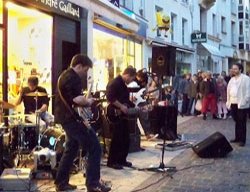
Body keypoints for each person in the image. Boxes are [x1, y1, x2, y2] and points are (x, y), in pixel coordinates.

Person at [54, 54, 111, 192]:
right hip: (70, 120)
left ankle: (61, 182)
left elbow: (70, 100)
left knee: (71, 148)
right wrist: (89, 101)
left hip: (66, 118)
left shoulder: (64, 75)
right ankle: (93, 184)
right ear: (79, 66)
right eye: (85, 70)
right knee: (95, 147)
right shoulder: (73, 77)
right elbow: (78, 100)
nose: (85, 73)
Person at [106, 66, 136, 170]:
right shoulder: (115, 83)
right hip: (115, 114)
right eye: (131, 79)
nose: (131, 81)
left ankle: (121, 159)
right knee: (117, 138)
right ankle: (112, 161)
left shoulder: (122, 84)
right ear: (127, 75)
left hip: (122, 115)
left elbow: (124, 100)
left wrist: (135, 106)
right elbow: (110, 97)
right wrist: (121, 106)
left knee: (125, 138)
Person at [226, 63, 250, 147]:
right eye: (233, 68)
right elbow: (228, 90)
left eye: (235, 69)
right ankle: (237, 137)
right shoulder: (232, 79)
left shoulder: (246, 79)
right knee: (236, 120)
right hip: (233, 102)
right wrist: (228, 101)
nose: (233, 70)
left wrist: (245, 101)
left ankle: (242, 140)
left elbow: (248, 91)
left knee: (242, 122)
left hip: (241, 103)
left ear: (240, 70)